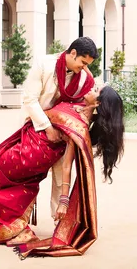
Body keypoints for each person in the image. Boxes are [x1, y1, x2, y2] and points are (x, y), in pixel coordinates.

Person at [0, 86, 125, 260]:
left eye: (96, 90)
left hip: (33, 155)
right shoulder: (79, 102)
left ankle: (4, 228)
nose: (91, 87)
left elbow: (67, 165)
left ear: (98, 103)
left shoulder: (80, 127)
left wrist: (64, 201)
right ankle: (5, 227)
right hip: (27, 142)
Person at [21, 37, 99, 220]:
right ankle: (20, 220)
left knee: (60, 176)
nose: (84, 67)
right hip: (36, 125)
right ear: (73, 53)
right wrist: (47, 127)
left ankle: (59, 223)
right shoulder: (44, 64)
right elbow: (30, 99)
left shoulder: (82, 77)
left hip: (63, 133)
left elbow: (87, 101)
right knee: (29, 176)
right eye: (83, 62)